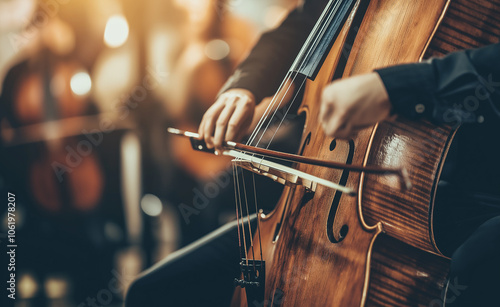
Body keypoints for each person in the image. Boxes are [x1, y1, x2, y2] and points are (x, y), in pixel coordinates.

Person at [127, 1, 500, 306]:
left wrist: (396, 87)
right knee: (153, 293)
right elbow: (305, 19)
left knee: (475, 268)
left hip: (448, 194)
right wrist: (242, 89)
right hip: (322, 205)